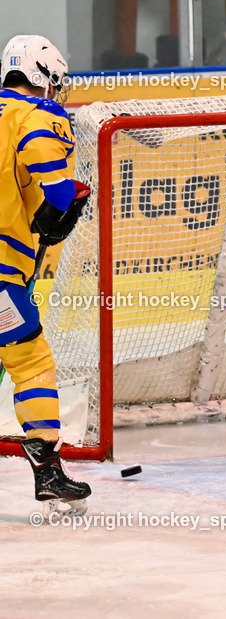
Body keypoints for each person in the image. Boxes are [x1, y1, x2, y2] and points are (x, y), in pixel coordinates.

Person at [0, 35, 92, 509]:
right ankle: (48, 470)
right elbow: (57, 194)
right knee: (30, 361)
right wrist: (61, 210)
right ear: (43, 77)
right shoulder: (36, 117)